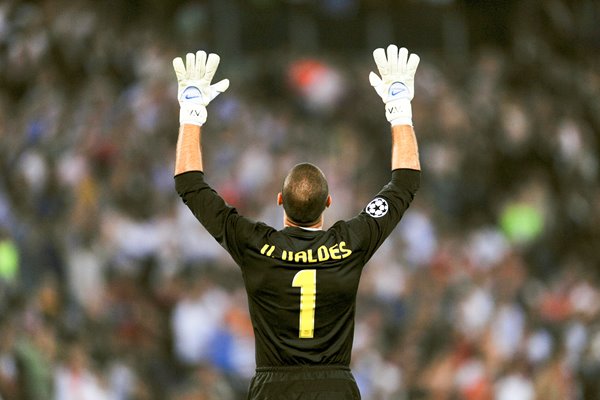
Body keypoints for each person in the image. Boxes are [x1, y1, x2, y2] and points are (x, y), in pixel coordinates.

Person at [172, 44, 421, 400]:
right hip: (335, 386)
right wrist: (399, 108)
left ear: (279, 202)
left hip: (275, 387)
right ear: (328, 204)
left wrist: (191, 112)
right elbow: (405, 181)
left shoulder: (255, 245)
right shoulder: (349, 242)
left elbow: (189, 183)